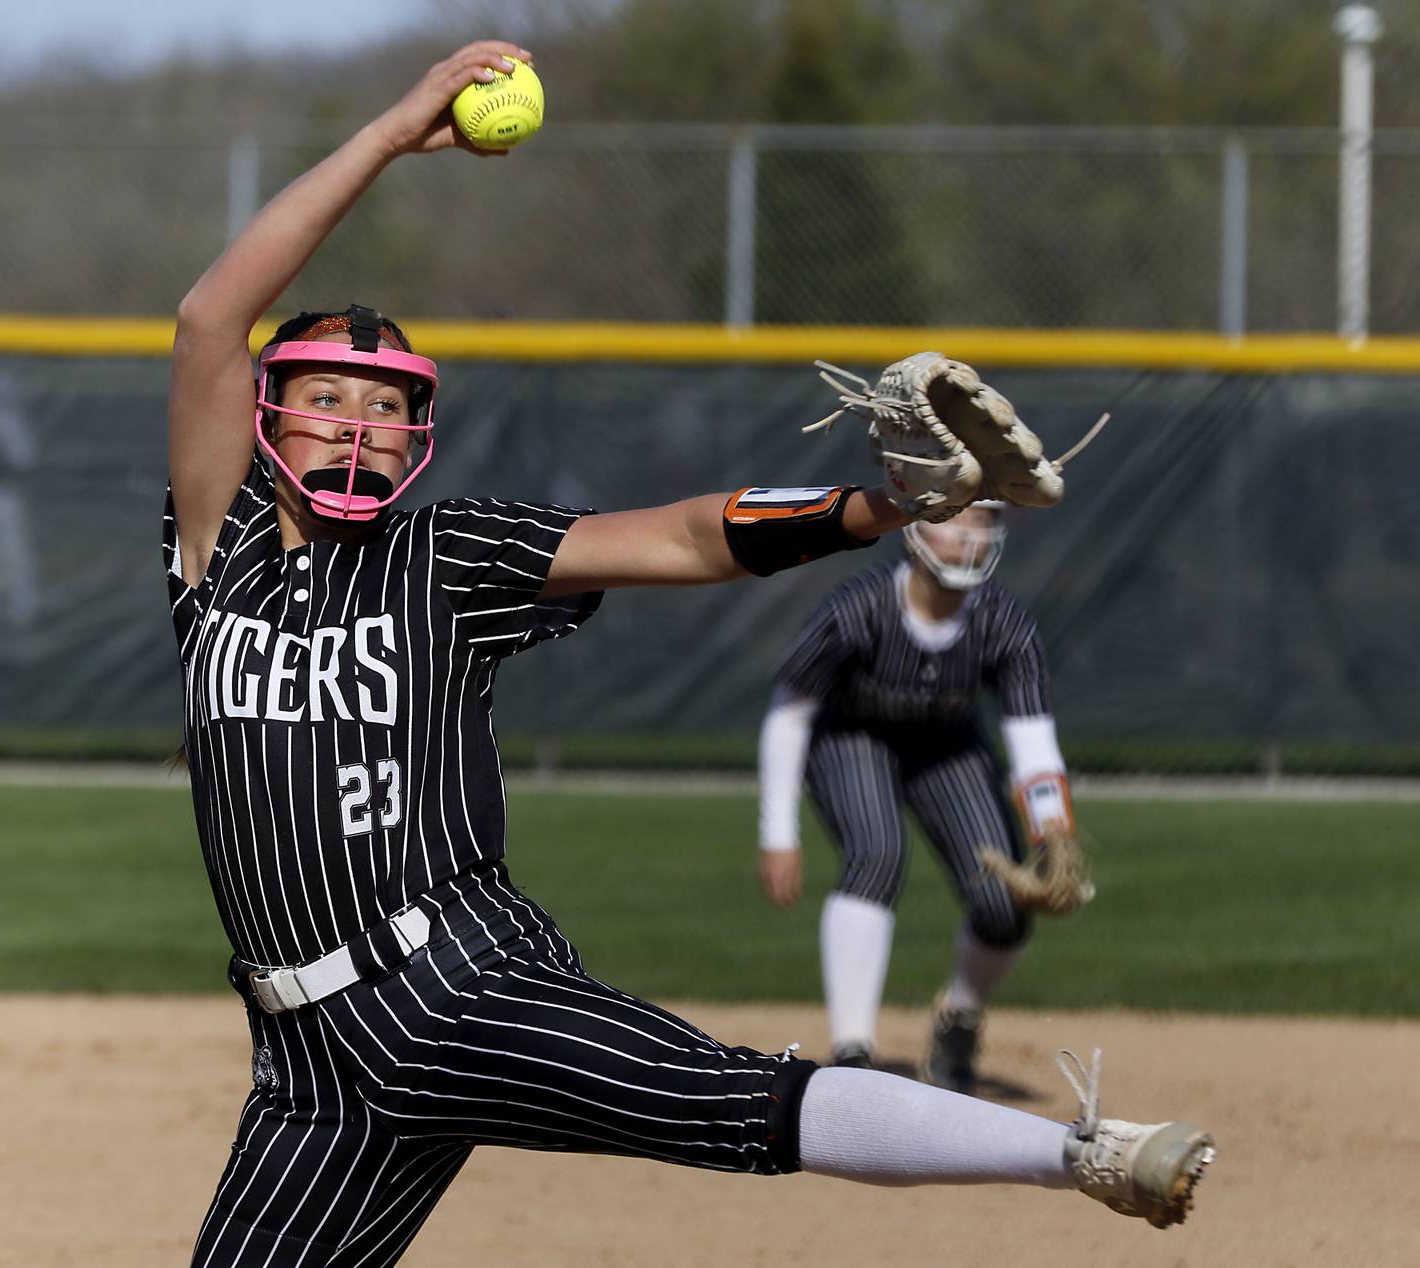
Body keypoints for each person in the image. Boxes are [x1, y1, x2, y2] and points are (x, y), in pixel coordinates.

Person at [164, 41, 1213, 1266]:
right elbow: (207, 315)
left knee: (725, 1101)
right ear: (267, 408)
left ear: (417, 439)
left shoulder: (445, 557)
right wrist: (396, 132)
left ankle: (1077, 1151)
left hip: (453, 985)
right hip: (306, 1063)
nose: (362, 423)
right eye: (332, 394)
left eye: (388, 406)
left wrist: (883, 506)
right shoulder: (214, 546)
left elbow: (677, 535)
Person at [756, 502, 1078, 1089]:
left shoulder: (1005, 624)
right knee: (876, 855)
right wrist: (779, 834)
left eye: (981, 520)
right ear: (913, 526)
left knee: (1005, 906)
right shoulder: (860, 607)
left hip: (945, 742)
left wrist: (1052, 831)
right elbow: (790, 712)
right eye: (951, 516)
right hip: (851, 734)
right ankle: (853, 1055)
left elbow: (1032, 738)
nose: (966, 535)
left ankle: (959, 1020)